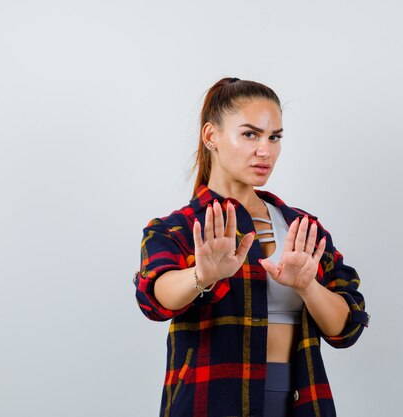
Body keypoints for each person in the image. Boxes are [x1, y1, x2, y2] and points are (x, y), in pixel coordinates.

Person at [134, 77, 369, 417]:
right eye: (250, 134)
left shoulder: (302, 227)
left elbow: (346, 329)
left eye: (275, 137)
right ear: (211, 136)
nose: (266, 150)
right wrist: (202, 275)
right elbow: (155, 299)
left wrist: (307, 286)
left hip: (302, 401)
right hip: (211, 401)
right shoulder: (177, 228)